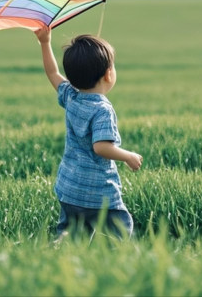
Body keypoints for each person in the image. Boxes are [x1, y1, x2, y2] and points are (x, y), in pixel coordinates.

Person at [33, 25, 143, 240]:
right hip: (98, 191)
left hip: (69, 186)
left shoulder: (71, 96)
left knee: (71, 233)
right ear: (108, 74)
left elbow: (52, 72)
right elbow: (101, 147)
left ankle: (61, 254)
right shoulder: (102, 109)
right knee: (120, 229)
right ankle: (119, 260)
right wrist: (128, 156)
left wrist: (45, 43)